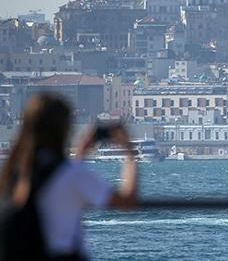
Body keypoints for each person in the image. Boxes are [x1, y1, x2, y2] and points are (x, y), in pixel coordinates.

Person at [0, 93, 139, 260]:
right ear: (65, 129)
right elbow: (127, 201)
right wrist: (129, 153)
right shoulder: (74, 175)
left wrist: (81, 153)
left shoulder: (12, 173)